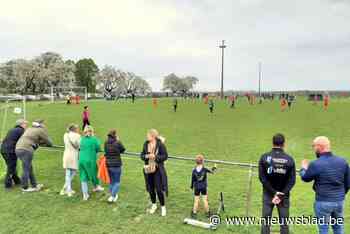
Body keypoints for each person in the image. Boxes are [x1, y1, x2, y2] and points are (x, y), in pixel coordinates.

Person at [300, 136, 350, 234]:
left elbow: (305, 178)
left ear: (320, 146)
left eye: (314, 146)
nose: (314, 149)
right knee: (338, 228)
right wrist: (340, 195)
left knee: (323, 229)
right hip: (339, 201)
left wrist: (303, 168)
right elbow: (348, 183)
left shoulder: (316, 164)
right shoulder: (342, 161)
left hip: (323, 202)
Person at [258, 134, 296, 234]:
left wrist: (273, 192)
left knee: (265, 222)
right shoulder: (290, 159)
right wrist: (280, 194)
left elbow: (262, 178)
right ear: (284, 144)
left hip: (268, 194)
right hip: (284, 196)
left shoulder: (264, 157)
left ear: (272, 143)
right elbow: (292, 181)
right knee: (284, 223)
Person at [15, 120, 53, 192]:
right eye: (43, 124)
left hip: (18, 149)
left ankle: (34, 185)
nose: (44, 125)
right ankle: (25, 187)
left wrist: (40, 142)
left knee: (29, 168)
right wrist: (47, 144)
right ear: (40, 125)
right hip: (26, 149)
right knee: (26, 169)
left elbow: (34, 139)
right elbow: (49, 142)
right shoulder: (40, 130)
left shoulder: (29, 129)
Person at [141, 129, 168, 217]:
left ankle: (163, 207)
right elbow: (141, 155)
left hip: (157, 170)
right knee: (150, 188)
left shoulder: (160, 144)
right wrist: (146, 156)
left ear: (153, 136)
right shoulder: (146, 144)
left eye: (148, 135)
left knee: (159, 189)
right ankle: (154, 205)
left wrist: (155, 157)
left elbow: (165, 156)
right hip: (148, 169)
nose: (146, 137)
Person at [0, 119, 28, 188]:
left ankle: (17, 181)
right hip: (10, 151)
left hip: (3, 150)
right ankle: (8, 184)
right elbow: (26, 139)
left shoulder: (12, 130)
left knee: (11, 166)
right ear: (22, 124)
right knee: (11, 167)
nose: (26, 126)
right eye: (25, 124)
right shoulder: (21, 130)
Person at [79, 126, 104, 201]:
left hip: (81, 160)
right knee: (95, 173)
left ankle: (85, 195)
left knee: (83, 177)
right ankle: (97, 186)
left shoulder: (82, 139)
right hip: (90, 160)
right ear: (91, 132)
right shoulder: (94, 139)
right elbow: (98, 148)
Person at [190, 154, 217, 219]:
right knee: (205, 200)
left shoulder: (194, 170)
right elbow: (212, 172)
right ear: (202, 161)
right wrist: (215, 167)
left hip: (196, 187)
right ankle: (208, 213)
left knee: (196, 200)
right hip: (203, 187)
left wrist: (191, 186)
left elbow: (192, 179)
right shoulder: (204, 169)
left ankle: (194, 213)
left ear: (196, 162)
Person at [104, 129, 126, 203]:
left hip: (108, 164)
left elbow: (105, 151)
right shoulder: (117, 142)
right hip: (116, 165)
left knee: (112, 181)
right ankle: (112, 196)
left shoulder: (106, 142)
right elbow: (123, 150)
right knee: (117, 182)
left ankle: (113, 195)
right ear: (115, 135)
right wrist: (118, 140)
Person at [60, 124, 81, 197]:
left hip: (66, 154)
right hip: (73, 155)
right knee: (73, 172)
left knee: (68, 173)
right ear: (74, 129)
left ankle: (65, 189)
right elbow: (80, 145)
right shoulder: (77, 136)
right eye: (77, 128)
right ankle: (67, 190)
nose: (78, 130)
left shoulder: (65, 135)